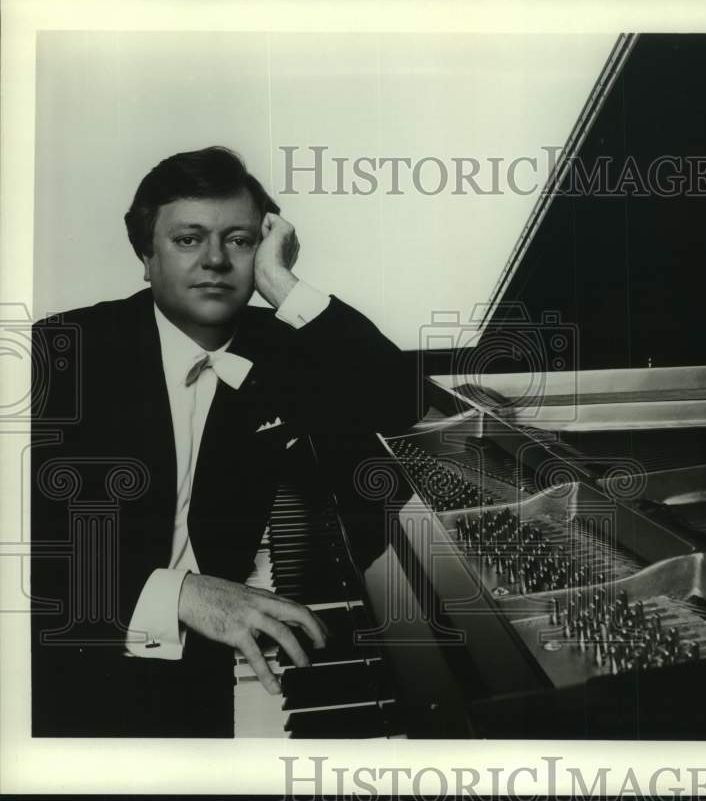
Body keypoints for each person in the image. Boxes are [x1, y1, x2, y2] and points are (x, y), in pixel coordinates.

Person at [31, 146, 419, 736]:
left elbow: (402, 404)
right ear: (145, 254)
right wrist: (178, 594)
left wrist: (282, 284)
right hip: (81, 655)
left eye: (238, 241)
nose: (214, 260)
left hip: (220, 659)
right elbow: (26, 537)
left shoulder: (284, 348)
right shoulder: (63, 352)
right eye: (188, 239)